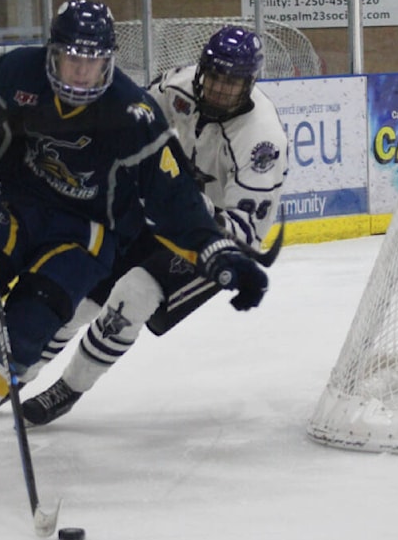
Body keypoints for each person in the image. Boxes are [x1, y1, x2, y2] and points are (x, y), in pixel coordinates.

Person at [0, 0, 270, 478]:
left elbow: (173, 197)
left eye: (93, 61)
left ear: (108, 61)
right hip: (11, 209)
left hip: (83, 238)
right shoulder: (16, 73)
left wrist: (215, 251)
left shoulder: (133, 112)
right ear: (53, 54)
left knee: (26, 334)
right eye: (73, 59)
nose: (82, 73)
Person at [19, 25, 288, 427]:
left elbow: (244, 231)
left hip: (214, 240)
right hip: (158, 208)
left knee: (134, 293)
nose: (218, 90)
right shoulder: (174, 88)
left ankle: (70, 387)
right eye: (214, 77)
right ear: (201, 71)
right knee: (85, 287)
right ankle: (17, 371)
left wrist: (189, 210)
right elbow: (132, 132)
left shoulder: (262, 142)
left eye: (231, 83)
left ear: (249, 84)